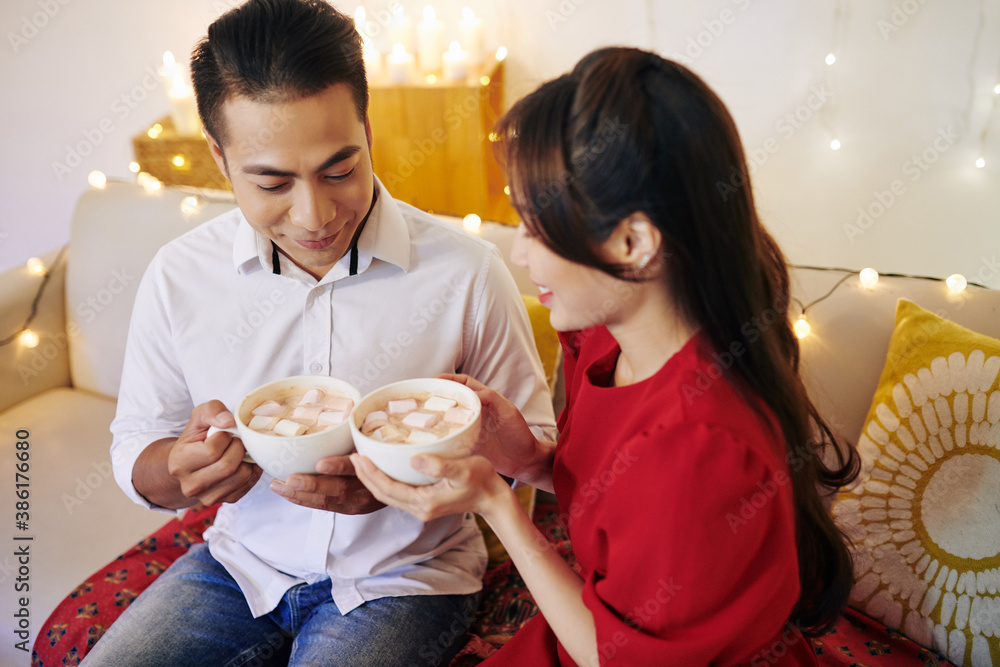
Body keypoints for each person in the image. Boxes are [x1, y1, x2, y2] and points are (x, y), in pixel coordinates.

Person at [352, 47, 860, 666]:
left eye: (538, 227)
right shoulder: (606, 338)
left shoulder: (701, 446)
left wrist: (496, 506)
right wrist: (532, 460)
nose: (520, 254)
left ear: (633, 242)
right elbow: (622, 506)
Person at [83, 0, 556, 665]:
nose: (315, 214)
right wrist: (178, 470)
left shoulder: (466, 272)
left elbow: (536, 454)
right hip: (238, 566)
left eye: (340, 169)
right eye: (272, 181)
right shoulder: (180, 275)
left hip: (406, 578)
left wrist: (407, 490)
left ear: (367, 128)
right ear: (218, 157)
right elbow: (137, 445)